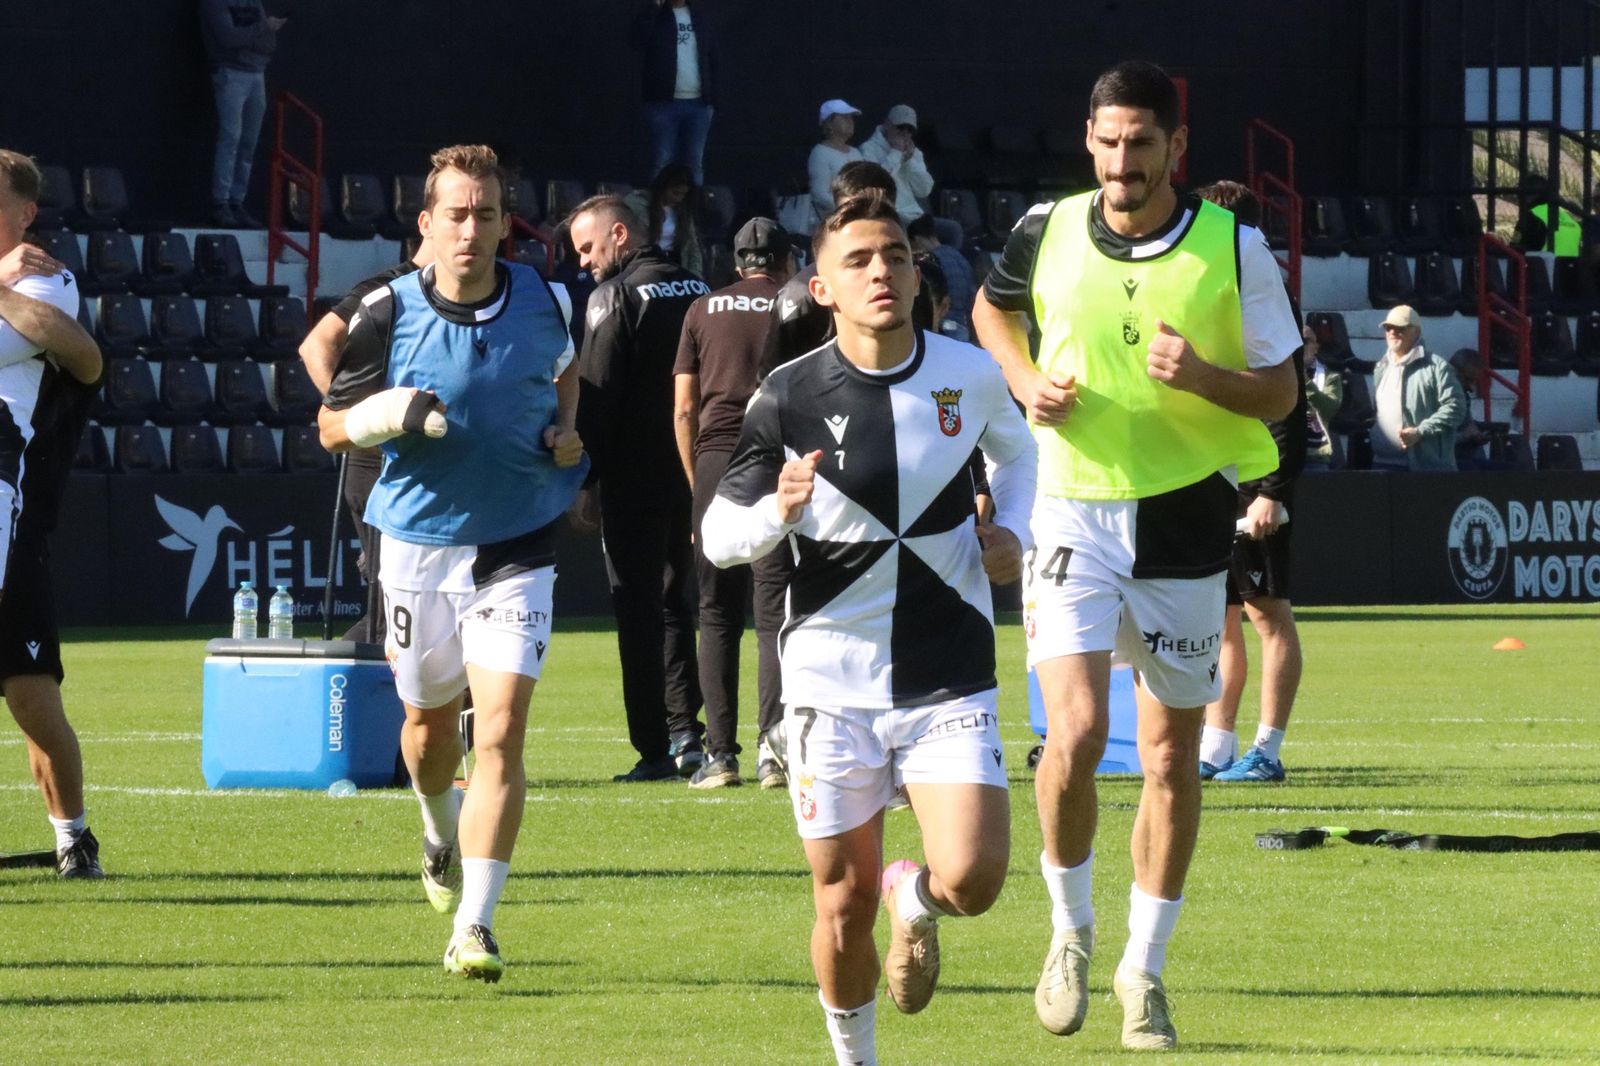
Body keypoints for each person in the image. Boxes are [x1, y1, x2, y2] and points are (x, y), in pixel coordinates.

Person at [972, 60, 1299, 1051]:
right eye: (1107, 142)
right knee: (1068, 736)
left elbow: (1281, 394)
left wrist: (1203, 376)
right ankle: (1069, 931)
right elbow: (992, 309)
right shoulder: (1047, 227)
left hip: (1184, 522)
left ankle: (1142, 973)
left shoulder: (1232, 247)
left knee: (1167, 759)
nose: (1122, 161)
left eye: (1141, 143)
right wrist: (1025, 380)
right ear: (1088, 139)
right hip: (1072, 511)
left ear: (1175, 149)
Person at [702, 193, 1036, 1066]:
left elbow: (1023, 454)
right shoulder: (786, 394)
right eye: (858, 260)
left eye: (895, 254)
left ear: (918, 270)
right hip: (829, 685)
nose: (881, 270)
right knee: (840, 905)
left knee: (974, 878)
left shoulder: (971, 373)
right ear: (822, 287)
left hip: (948, 671)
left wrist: (1018, 535)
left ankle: (915, 897)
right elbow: (717, 535)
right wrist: (776, 509)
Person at [318, 144, 586, 981]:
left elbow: (565, 373)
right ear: (427, 225)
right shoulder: (385, 314)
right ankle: (437, 832)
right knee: (430, 734)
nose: (472, 229)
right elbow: (330, 427)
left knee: (499, 732)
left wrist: (565, 435)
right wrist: (385, 415)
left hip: (518, 543)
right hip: (418, 549)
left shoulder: (548, 298)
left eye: (488, 214)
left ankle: (475, 924)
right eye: (456, 214)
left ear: (507, 224)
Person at [567, 194, 710, 782]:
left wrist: (585, 479)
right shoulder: (699, 288)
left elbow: (596, 399)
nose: (582, 263)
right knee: (683, 606)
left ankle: (653, 748)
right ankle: (689, 736)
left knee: (638, 609)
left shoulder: (614, 296)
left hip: (634, 479)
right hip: (697, 474)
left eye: (587, 247)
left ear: (620, 235)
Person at [0, 150, 108, 878]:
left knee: (34, 697)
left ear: (25, 212)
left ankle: (73, 837)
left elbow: (42, 331)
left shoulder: (47, 277)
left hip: (20, 516)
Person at [1190, 179, 1308, 785]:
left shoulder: (1264, 289)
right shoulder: (1221, 288)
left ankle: (1267, 749)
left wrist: (1274, 490)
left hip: (1257, 479)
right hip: (1219, 475)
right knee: (1222, 615)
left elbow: (1289, 399)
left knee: (1269, 614)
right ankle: (1216, 745)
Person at [672, 217, 793, 790]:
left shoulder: (702, 309)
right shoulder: (796, 304)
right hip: (775, 456)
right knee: (774, 612)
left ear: (737, 262)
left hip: (717, 460)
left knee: (716, 613)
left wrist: (699, 483)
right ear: (785, 260)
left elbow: (683, 408)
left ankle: (720, 756)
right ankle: (777, 750)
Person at [299, 238, 439, 643]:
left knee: (423, 605)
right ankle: (336, 695)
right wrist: (357, 420)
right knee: (392, 613)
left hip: (419, 465)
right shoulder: (390, 287)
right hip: (376, 465)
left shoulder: (457, 291)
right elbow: (315, 346)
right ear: (427, 225)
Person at [761, 161, 899, 381]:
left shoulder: (911, 284)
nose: (867, 223)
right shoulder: (800, 295)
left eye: (880, 213)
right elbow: (772, 385)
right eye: (853, 214)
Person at [200, 0, 284, 227]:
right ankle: (221, 203)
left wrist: (256, 35)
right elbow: (228, 38)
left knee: (249, 142)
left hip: (257, 73)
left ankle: (237, 202)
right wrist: (262, 29)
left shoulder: (254, 2)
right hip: (230, 72)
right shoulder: (214, 4)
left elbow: (268, 44)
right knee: (231, 137)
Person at [629, 0, 718, 186]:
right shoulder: (655, 15)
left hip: (698, 103)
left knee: (694, 162)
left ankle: (691, 212)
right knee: (662, 161)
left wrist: (712, 98)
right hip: (663, 102)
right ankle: (659, 212)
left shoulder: (699, 15)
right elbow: (636, 42)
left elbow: (711, 55)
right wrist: (654, 7)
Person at [1370, 304, 1466, 472]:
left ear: (1416, 332)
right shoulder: (1381, 367)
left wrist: (1420, 431)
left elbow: (1456, 408)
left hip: (1422, 469)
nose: (1392, 332)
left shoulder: (1437, 367)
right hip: (1381, 465)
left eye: (1400, 328)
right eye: (1388, 328)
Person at [624, 163, 705, 277]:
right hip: (645, 265)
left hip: (674, 264)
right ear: (663, 187)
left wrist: (695, 275)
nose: (679, 198)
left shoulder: (682, 212)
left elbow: (692, 247)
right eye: (675, 193)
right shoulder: (638, 205)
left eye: (683, 194)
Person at [859, 104, 935, 225]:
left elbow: (924, 190)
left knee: (953, 229)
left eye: (910, 130)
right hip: (886, 215)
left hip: (915, 215)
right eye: (900, 127)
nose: (905, 133)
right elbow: (878, 184)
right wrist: (896, 152)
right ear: (887, 125)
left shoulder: (914, 152)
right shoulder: (867, 149)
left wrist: (909, 161)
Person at [908, 214, 974, 341]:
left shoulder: (931, 262)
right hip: (962, 328)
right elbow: (972, 296)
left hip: (941, 327)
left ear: (916, 239)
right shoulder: (960, 257)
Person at [808, 100, 865, 220]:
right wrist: (848, 208)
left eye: (851, 118)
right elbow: (820, 194)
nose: (850, 122)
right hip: (834, 222)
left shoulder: (856, 152)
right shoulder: (820, 153)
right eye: (844, 118)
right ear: (828, 123)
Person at [1303, 324, 1344, 471]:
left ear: (1316, 347)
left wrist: (1305, 381)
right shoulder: (1280, 375)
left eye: (1306, 341)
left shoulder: (1330, 377)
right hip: (1283, 455)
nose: (1301, 346)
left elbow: (1328, 408)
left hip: (1314, 457)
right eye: (1298, 341)